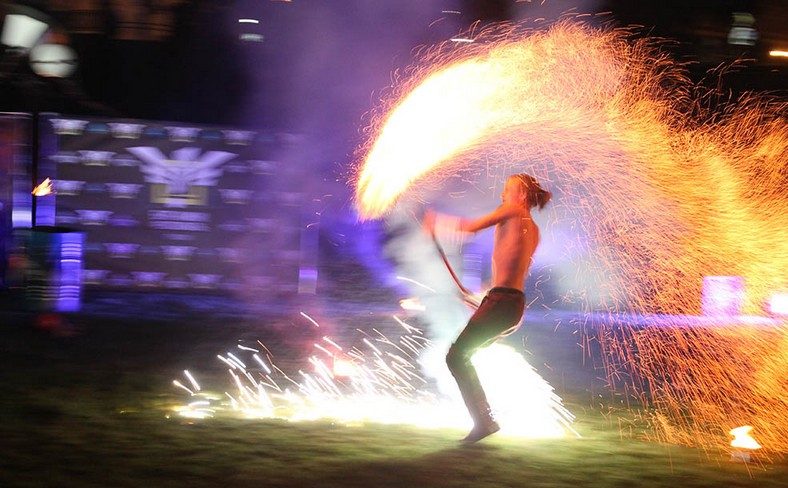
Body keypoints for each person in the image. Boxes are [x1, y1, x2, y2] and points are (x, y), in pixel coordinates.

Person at [422, 173, 551, 442]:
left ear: (522, 195)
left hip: (502, 302)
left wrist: (437, 222)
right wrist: (483, 298)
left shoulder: (513, 210)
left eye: (508, 189)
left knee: (456, 356)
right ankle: (487, 418)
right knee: (464, 354)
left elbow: (469, 228)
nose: (502, 194)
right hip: (513, 305)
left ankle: (485, 421)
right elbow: (511, 271)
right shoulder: (534, 230)